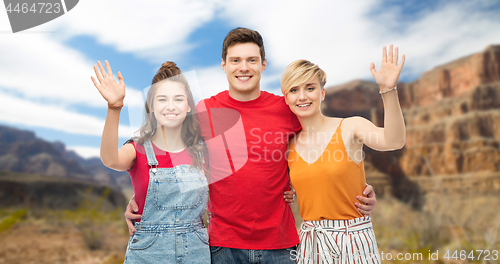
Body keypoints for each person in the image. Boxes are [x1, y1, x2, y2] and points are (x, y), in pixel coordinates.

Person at [126, 27, 378, 264]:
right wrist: (142, 196)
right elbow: (170, 150)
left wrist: (357, 185)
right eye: (235, 60)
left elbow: (325, 144)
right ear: (224, 65)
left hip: (280, 245)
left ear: (263, 65)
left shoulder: (286, 109)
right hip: (223, 246)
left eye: (251, 60)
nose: (243, 67)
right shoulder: (205, 111)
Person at [280, 46, 405, 263]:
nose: (302, 96)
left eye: (310, 88)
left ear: (322, 92)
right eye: (293, 90)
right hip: (311, 242)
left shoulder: (350, 127)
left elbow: (394, 141)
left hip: (354, 239)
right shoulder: (288, 146)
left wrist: (388, 90)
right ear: (286, 97)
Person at [92, 60, 210, 263]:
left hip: (196, 253)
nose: (170, 106)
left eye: (179, 99)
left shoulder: (203, 151)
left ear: (189, 106)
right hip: (148, 254)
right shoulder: (138, 149)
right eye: (162, 99)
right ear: (152, 107)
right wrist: (114, 107)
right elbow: (110, 159)